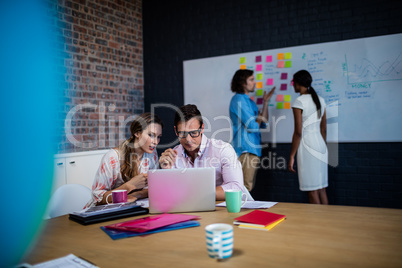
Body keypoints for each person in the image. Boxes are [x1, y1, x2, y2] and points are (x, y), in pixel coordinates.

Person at [159, 104, 253, 201]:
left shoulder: (222, 150)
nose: (188, 139)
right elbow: (168, 194)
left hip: (221, 211)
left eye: (193, 133)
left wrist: (197, 193)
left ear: (202, 128)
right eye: (182, 133)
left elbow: (236, 188)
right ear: (176, 131)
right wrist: (165, 171)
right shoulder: (172, 156)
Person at [85, 113, 163, 207]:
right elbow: (98, 198)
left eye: (158, 136)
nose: (155, 142)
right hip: (102, 212)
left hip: (130, 208)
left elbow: (153, 189)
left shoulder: (152, 153)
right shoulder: (113, 157)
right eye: (151, 135)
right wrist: (129, 186)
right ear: (137, 133)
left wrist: (136, 194)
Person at [229, 69, 275, 192]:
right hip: (245, 148)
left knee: (247, 186)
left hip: (252, 148)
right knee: (244, 187)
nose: (254, 82)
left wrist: (266, 102)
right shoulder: (238, 100)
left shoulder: (249, 101)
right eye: (251, 79)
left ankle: (242, 211)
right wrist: (258, 120)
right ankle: (239, 211)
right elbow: (253, 126)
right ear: (243, 83)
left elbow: (263, 121)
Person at [288, 70, 328, 204]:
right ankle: (327, 222)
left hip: (307, 146)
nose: (293, 85)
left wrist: (292, 155)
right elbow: (324, 129)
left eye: (293, 82)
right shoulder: (321, 100)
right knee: (321, 189)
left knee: (312, 190)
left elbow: (298, 132)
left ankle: (318, 223)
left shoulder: (299, 101)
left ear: (299, 83)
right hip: (321, 145)